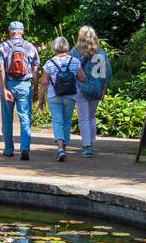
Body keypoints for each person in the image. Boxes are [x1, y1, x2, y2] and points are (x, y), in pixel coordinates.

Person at [0, 21, 40, 160]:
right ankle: (25, 148)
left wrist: (3, 88)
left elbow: (1, 69)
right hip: (25, 85)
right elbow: (35, 69)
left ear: (10, 32)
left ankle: (9, 149)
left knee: (7, 119)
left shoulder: (3, 46)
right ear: (22, 31)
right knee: (25, 118)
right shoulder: (30, 46)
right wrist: (36, 87)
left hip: (9, 84)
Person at [37, 36, 80, 162]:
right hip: (71, 96)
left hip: (54, 96)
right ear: (66, 46)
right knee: (67, 122)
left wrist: (41, 99)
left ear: (54, 47)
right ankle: (64, 148)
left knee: (57, 122)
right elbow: (82, 77)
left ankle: (60, 149)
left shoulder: (50, 63)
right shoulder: (75, 61)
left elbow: (44, 83)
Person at [73, 25, 111, 158]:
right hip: (97, 88)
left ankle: (87, 147)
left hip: (81, 88)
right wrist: (103, 90)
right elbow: (107, 74)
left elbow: (72, 70)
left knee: (83, 118)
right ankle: (91, 143)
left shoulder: (76, 52)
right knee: (91, 116)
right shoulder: (102, 52)